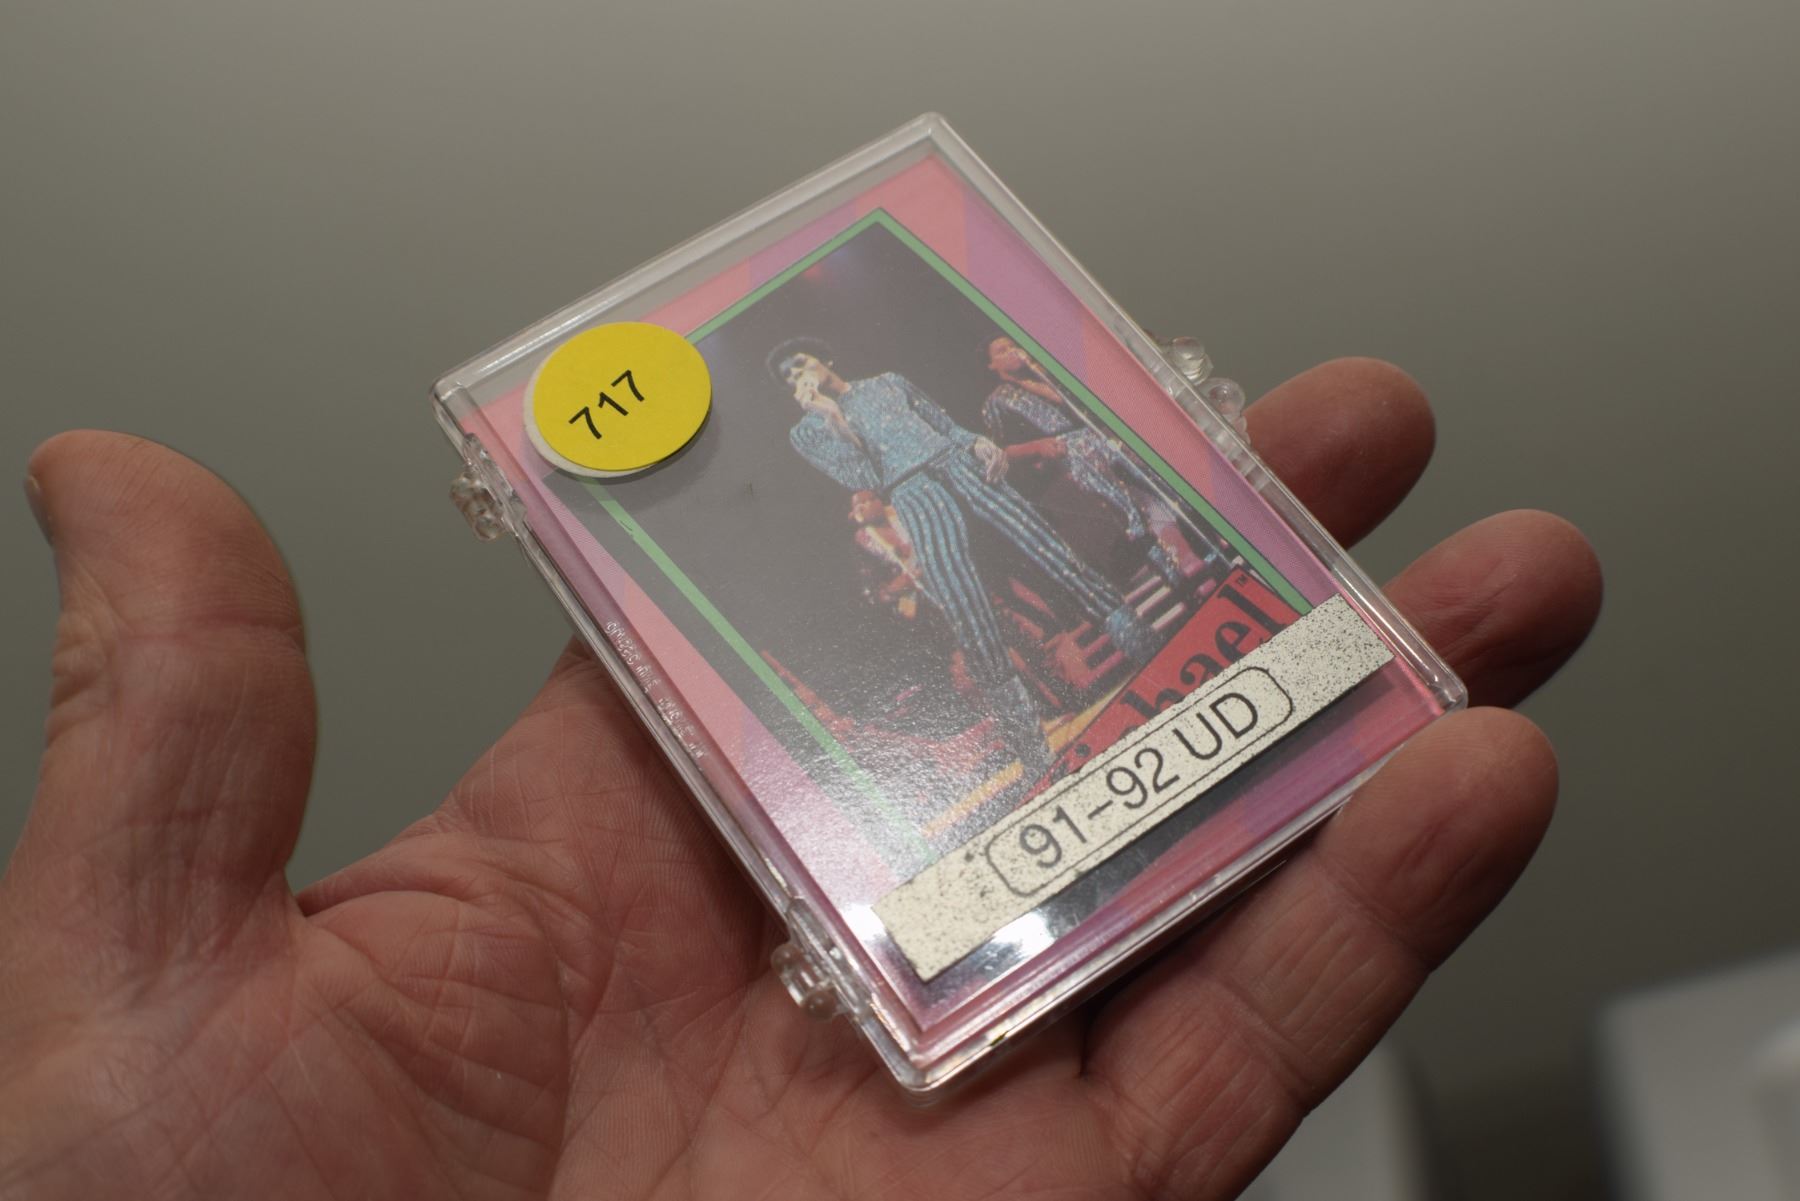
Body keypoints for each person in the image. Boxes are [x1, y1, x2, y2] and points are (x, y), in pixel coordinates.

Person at [0, 358, 1601, 1200]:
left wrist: (948, 443)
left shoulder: (894, 397)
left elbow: (931, 435)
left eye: (818, 377)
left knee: (1059, 560)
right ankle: (1028, 704)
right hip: (921, 499)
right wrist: (873, 468)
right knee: (974, 608)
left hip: (955, 467)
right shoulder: (836, 439)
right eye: (804, 391)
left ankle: (1120, 627)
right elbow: (856, 488)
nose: (813, 390)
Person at [770, 336, 1158, 781]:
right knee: (968, 611)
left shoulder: (887, 382)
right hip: (914, 493)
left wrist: (977, 442)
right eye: (788, 375)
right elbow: (865, 477)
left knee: (1052, 552)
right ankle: (1034, 751)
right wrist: (833, 418)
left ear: (825, 357)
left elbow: (945, 425)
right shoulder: (807, 432)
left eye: (800, 363)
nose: (798, 375)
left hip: (961, 464)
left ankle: (1145, 647)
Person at [981, 334, 1197, 589]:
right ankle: (1172, 573)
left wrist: (1038, 374)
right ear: (991, 365)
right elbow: (1002, 450)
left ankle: (1202, 542)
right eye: (1001, 350)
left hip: (1102, 434)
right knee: (1128, 510)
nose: (1011, 351)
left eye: (1013, 345)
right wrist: (1037, 447)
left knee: (1160, 485)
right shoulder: (997, 401)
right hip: (1072, 452)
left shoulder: (1046, 374)